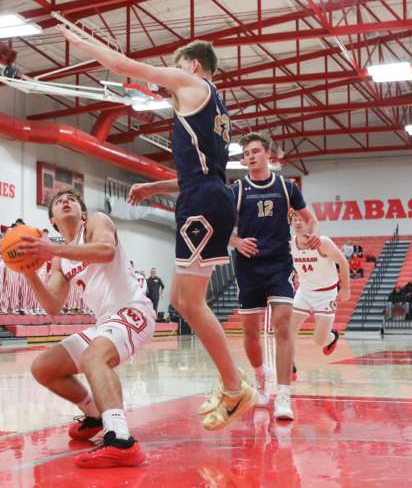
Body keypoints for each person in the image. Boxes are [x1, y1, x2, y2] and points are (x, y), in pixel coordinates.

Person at [64, 29, 256, 429]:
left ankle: (236, 388)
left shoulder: (193, 82)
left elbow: (126, 67)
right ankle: (233, 384)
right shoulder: (217, 110)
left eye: (179, 63)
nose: (174, 71)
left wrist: (85, 44)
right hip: (207, 194)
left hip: (204, 201)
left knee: (190, 303)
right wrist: (155, 186)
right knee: (184, 300)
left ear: (194, 65)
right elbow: (202, 171)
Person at [19, 190, 156, 468]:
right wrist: (29, 273)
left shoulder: (96, 222)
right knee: (43, 367)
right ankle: (95, 414)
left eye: (71, 199)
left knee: (94, 357)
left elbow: (105, 251)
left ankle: (120, 440)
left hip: (133, 310)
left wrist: (52, 248)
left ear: (82, 213)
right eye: (59, 202)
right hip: (106, 322)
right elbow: (53, 305)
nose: (65, 201)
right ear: (53, 221)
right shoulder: (60, 259)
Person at [220, 132, 320, 421]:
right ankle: (261, 377)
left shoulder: (286, 187)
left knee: (283, 325)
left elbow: (309, 218)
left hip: (279, 265)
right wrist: (236, 242)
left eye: (254, 151)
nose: (250, 156)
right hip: (248, 267)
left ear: (268, 154)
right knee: (250, 332)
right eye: (246, 153)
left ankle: (284, 394)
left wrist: (310, 235)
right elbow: (218, 225)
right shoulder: (236, 190)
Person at [290, 210, 350, 359]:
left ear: (310, 223)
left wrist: (345, 288)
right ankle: (290, 366)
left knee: (319, 341)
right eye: (294, 219)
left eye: (301, 219)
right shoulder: (289, 245)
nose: (297, 222)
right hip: (304, 292)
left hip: (326, 294)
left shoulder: (322, 243)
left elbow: (343, 262)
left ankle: (332, 336)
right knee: (287, 330)